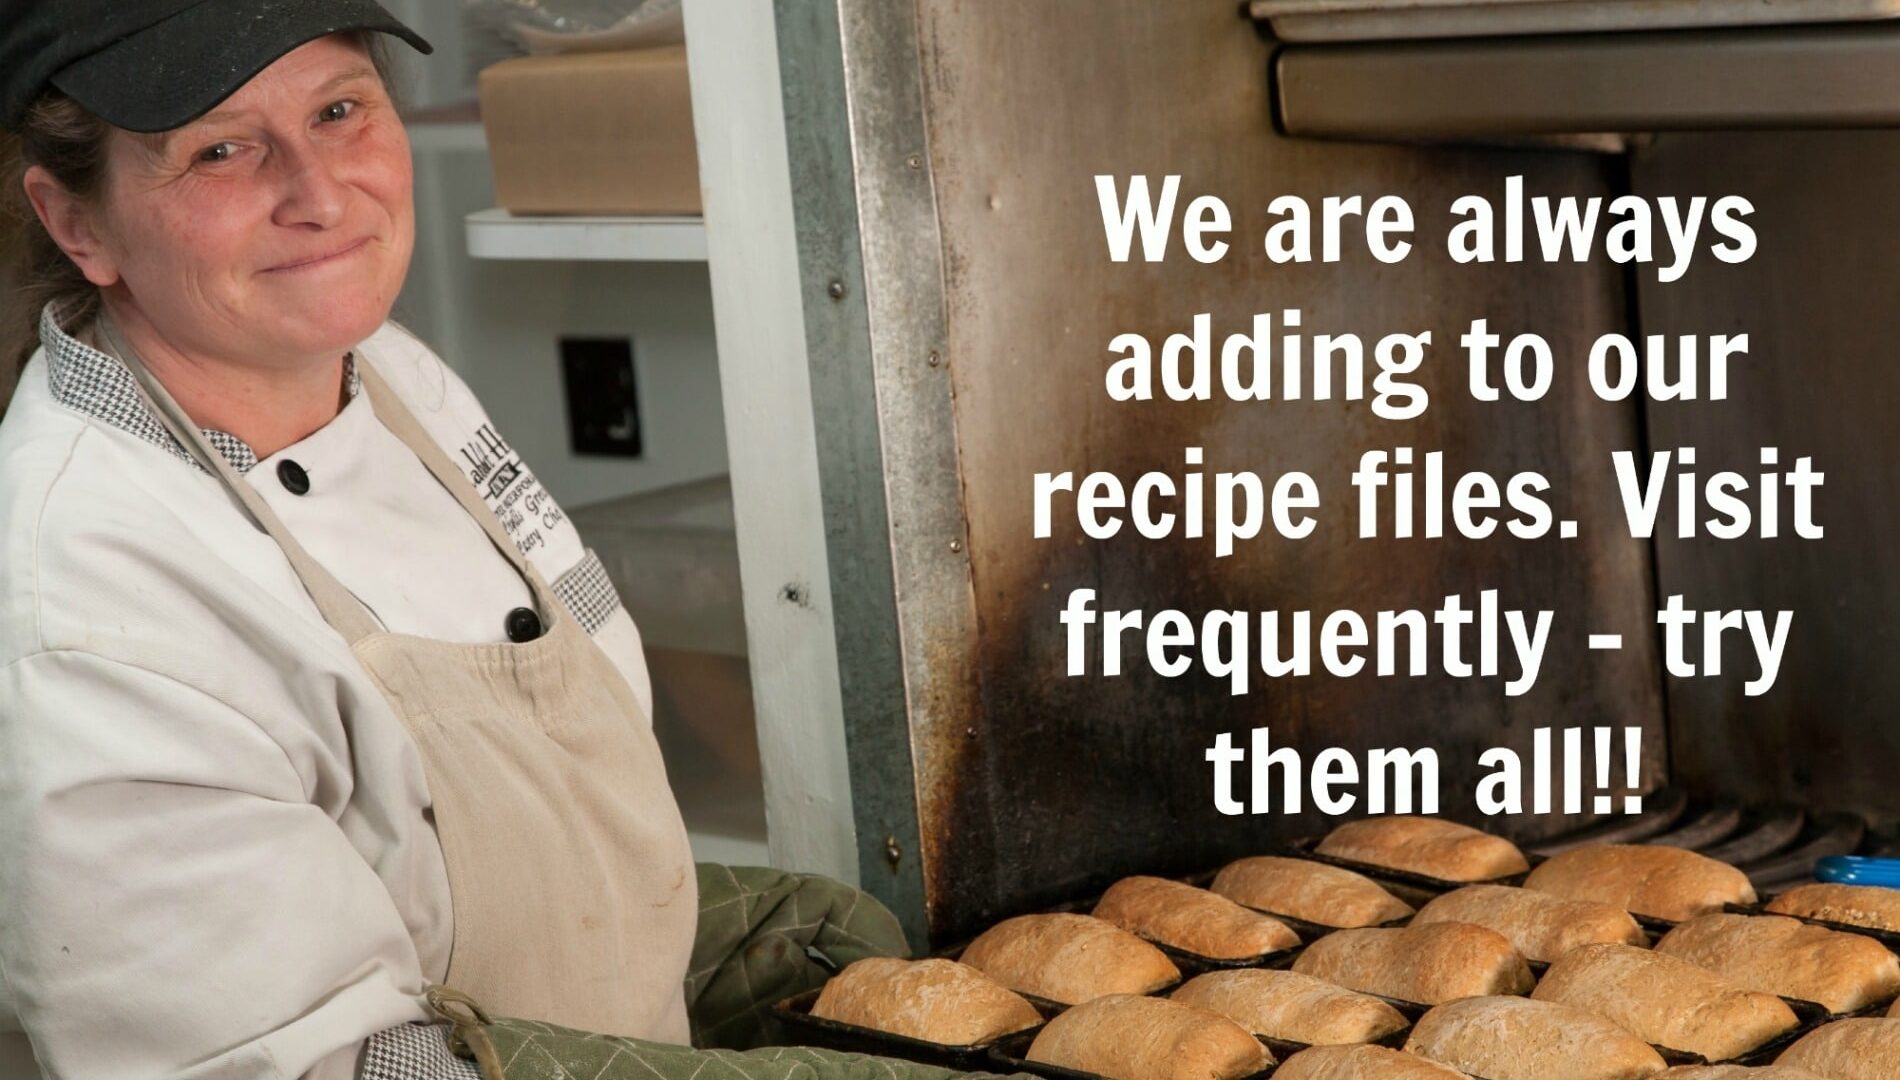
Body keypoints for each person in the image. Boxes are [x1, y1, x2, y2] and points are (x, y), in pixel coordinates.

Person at [0, 4, 1007, 1078]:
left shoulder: (390, 373)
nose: (321, 192)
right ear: (77, 223)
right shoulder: (84, 605)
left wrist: (688, 934)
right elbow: (292, 1066)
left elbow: (429, 852)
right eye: (221, 150)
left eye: (340, 110)